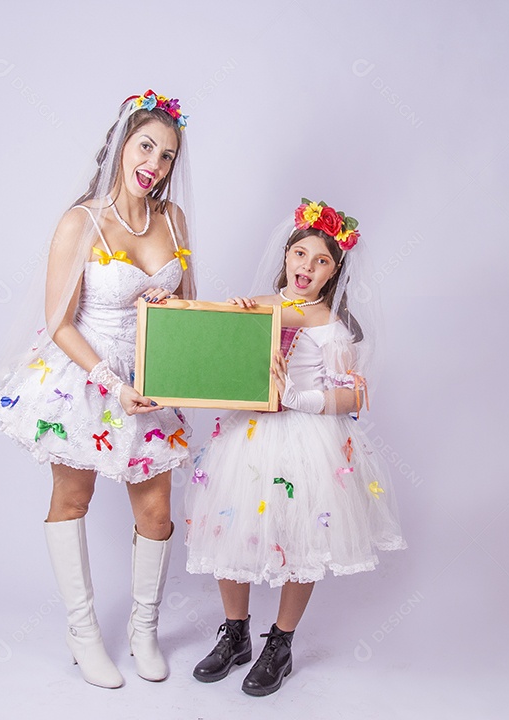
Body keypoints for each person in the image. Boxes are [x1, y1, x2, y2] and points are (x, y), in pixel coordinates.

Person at [0, 90, 195, 688]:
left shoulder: (173, 220)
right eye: (146, 147)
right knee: (73, 500)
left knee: (156, 512)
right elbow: (58, 321)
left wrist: (170, 305)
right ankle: (82, 634)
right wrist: (108, 382)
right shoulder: (80, 221)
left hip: (149, 377)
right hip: (85, 372)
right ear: (122, 145)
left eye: (166, 156)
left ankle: (143, 629)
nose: (154, 164)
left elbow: (185, 303)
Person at [184, 199, 406, 696]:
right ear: (286, 256)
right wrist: (232, 323)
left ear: (335, 272)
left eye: (322, 260)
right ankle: (235, 633)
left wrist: (297, 397)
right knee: (229, 523)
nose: (307, 266)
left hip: (306, 438)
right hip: (249, 437)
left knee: (304, 534)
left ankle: (279, 643)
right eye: (301, 254)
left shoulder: (332, 326)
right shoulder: (256, 305)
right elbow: (214, 360)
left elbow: (353, 395)